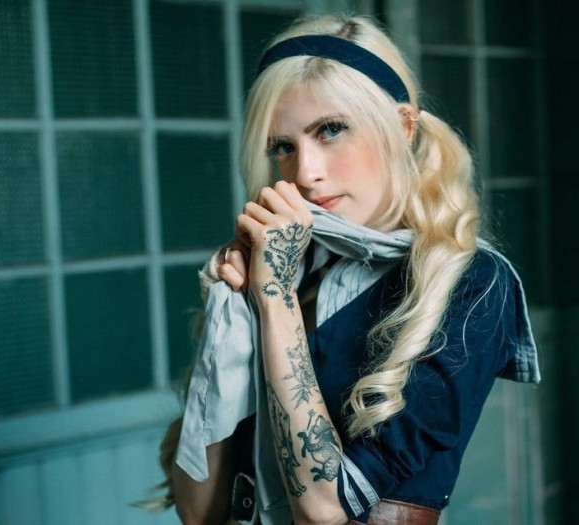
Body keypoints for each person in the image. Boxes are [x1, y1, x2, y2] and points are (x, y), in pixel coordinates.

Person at [157, 14, 539, 525]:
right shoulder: (285, 263)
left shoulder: (470, 282)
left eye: (331, 130)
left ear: (402, 126)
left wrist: (276, 301)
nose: (306, 173)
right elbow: (198, 510)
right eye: (283, 146)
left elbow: (324, 508)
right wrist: (232, 311)